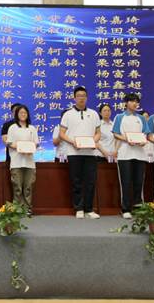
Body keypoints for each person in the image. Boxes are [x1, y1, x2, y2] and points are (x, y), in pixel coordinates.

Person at [59, 86, 102, 219]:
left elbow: (98, 133)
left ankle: (89, 209)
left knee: (90, 181)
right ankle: (79, 208)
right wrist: (73, 142)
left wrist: (93, 142)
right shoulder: (68, 114)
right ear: (74, 98)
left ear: (87, 98)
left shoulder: (94, 114)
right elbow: (62, 133)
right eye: (78, 96)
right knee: (76, 181)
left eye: (83, 95)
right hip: (74, 152)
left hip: (90, 153)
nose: (81, 98)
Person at [113, 92, 150, 219]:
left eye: (136, 101)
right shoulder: (119, 117)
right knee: (126, 182)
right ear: (126, 103)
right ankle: (126, 209)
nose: (135, 103)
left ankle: (138, 208)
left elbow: (145, 134)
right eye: (132, 101)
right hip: (125, 154)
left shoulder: (141, 118)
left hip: (140, 154)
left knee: (139, 182)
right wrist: (127, 139)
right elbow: (116, 133)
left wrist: (143, 141)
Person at [6, 105, 39, 217]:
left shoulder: (32, 128)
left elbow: (36, 143)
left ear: (28, 115)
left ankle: (27, 208)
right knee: (17, 187)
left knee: (28, 187)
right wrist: (21, 147)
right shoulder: (12, 128)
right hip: (16, 162)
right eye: (21, 113)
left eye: (25, 113)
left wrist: (30, 148)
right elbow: (9, 143)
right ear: (17, 115)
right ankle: (17, 209)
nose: (23, 115)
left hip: (29, 162)